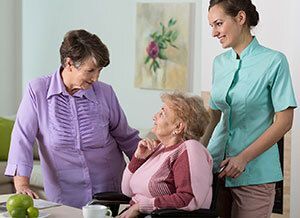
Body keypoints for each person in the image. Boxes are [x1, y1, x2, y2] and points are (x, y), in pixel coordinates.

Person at [5, 29, 140, 208]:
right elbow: (22, 140)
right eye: (90, 70)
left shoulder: (105, 92)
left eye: (99, 70)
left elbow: (127, 138)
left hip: (110, 194)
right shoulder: (37, 91)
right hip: (65, 198)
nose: (96, 77)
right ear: (69, 63)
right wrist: (22, 185)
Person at [202, 0, 298, 217]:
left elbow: (285, 121)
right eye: (211, 26)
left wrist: (243, 158)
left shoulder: (274, 61)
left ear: (241, 18)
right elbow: (215, 115)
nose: (214, 33)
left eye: (218, 24)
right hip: (216, 169)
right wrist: (200, 151)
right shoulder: (219, 63)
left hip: (255, 173)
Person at [120, 92, 213, 218]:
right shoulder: (158, 148)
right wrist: (138, 158)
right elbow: (127, 191)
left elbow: (189, 198)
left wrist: (141, 206)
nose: (154, 117)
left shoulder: (190, 149)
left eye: (162, 113)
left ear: (178, 126)